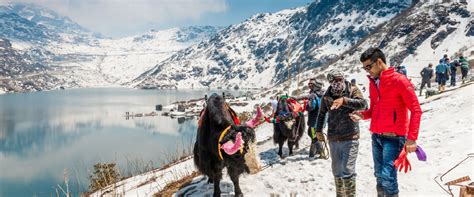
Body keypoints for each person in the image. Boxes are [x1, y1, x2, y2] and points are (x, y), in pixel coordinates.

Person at [352, 48, 422, 197]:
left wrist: (411, 139)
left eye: (368, 67)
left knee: (388, 176)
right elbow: (373, 110)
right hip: (376, 136)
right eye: (364, 68)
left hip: (394, 138)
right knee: (379, 174)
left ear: (379, 62)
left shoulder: (399, 80)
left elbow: (416, 110)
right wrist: (362, 115)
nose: (367, 71)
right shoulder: (373, 83)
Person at [314, 70, 367, 196]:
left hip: (350, 136)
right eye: (334, 80)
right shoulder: (327, 96)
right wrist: (318, 130)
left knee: (347, 169)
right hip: (333, 137)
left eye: (339, 79)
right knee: (337, 170)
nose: (337, 83)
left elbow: (363, 105)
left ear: (343, 78)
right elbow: (321, 114)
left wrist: (344, 100)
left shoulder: (352, 90)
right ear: (330, 82)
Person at [294, 78, 325, 158]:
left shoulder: (313, 95)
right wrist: (296, 98)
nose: (310, 86)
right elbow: (307, 96)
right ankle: (314, 153)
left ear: (315, 86)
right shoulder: (322, 93)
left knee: (313, 135)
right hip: (321, 119)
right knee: (316, 134)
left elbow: (311, 107)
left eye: (312, 84)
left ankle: (322, 153)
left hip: (314, 120)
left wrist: (307, 104)